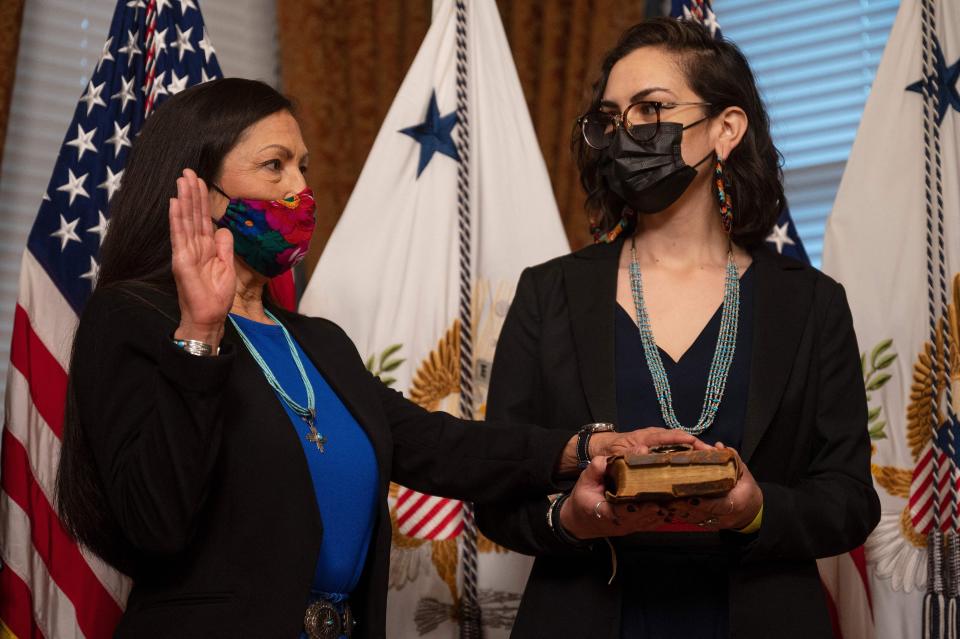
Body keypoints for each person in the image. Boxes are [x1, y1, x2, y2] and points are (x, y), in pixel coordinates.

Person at [54, 78, 695, 639]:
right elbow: (153, 522)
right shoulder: (132, 318)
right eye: (274, 167)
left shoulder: (318, 343)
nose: (301, 190)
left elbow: (438, 446)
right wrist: (201, 328)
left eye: (303, 167)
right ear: (199, 190)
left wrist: (587, 449)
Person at [475, 18, 880, 639]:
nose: (624, 134)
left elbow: (850, 501)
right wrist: (575, 520)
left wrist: (755, 510)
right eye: (611, 118)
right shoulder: (548, 292)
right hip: (587, 616)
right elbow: (500, 491)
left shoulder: (812, 303)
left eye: (652, 109)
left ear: (725, 129)